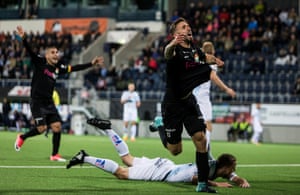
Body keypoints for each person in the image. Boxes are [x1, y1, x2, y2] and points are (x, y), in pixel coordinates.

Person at [67, 118, 250, 189]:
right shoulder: (209, 166)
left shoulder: (217, 167)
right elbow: (196, 179)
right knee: (122, 173)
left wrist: (240, 180)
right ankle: (85, 157)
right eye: (232, 168)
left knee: (127, 158)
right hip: (163, 172)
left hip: (166, 165)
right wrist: (217, 186)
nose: (233, 171)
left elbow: (231, 175)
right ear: (224, 167)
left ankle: (108, 129)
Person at [14, 25, 105, 161]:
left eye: (57, 52)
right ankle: (22, 137)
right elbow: (30, 51)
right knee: (41, 129)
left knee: (57, 127)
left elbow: (74, 68)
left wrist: (91, 64)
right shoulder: (40, 62)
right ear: (47, 55)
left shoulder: (58, 68)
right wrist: (24, 38)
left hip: (48, 102)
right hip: (37, 102)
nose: (56, 54)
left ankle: (54, 154)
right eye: (53, 53)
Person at [158, 17, 224, 193]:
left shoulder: (195, 49)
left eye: (188, 25)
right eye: (183, 27)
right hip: (172, 105)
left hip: (188, 101)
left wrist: (214, 60)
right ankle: (160, 126)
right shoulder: (174, 50)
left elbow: (204, 57)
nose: (188, 28)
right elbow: (167, 52)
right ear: (176, 33)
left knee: (200, 139)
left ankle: (202, 184)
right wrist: (173, 43)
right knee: (175, 150)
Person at [192, 41, 236, 159]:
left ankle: (206, 152)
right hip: (202, 98)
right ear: (212, 51)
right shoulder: (211, 63)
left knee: (199, 127)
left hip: (192, 97)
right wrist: (227, 89)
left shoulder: (196, 61)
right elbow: (213, 77)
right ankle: (205, 153)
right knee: (208, 126)